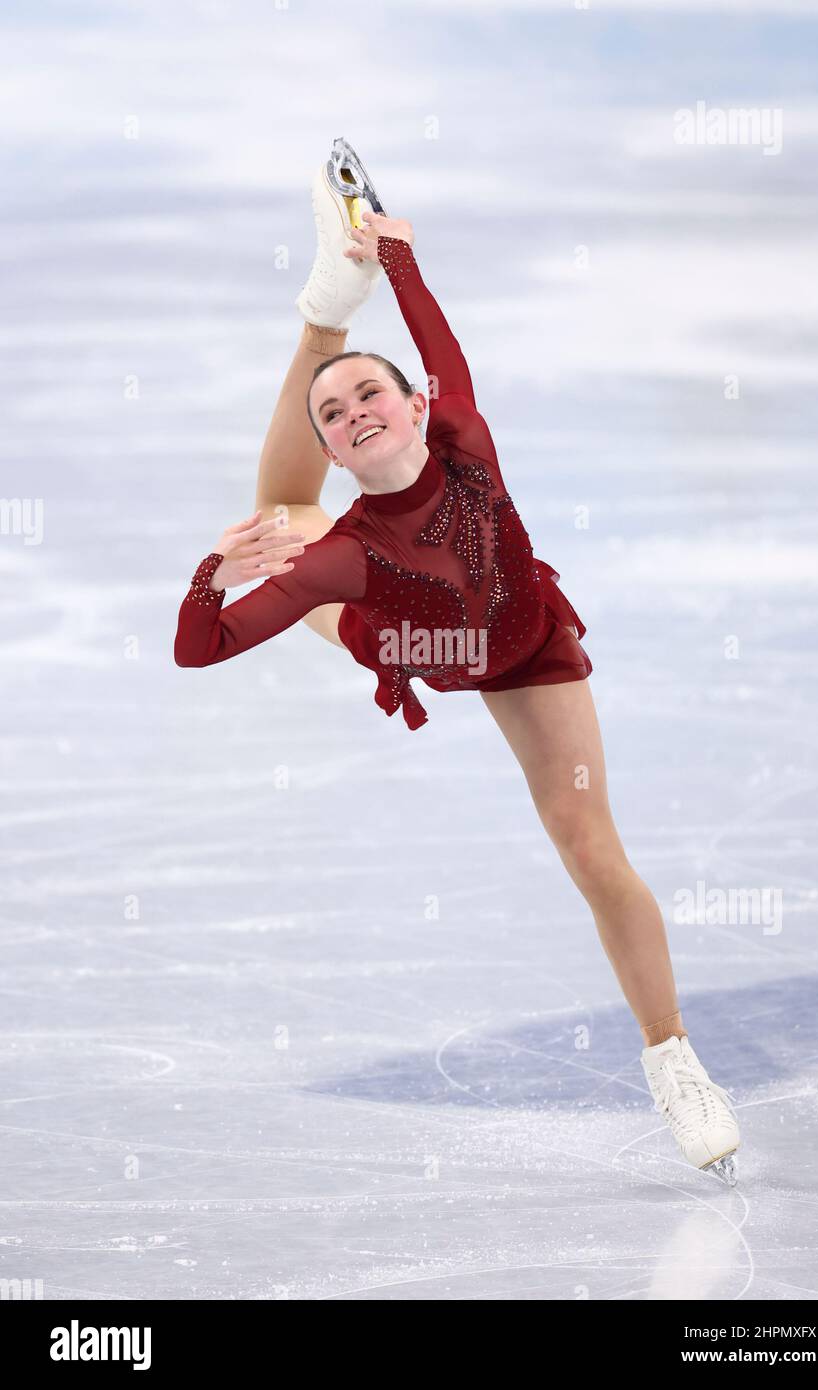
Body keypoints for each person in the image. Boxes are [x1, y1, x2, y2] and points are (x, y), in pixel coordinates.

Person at [174, 143, 740, 1184]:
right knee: (281, 523)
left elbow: (437, 346)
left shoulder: (463, 435)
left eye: (364, 395)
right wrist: (214, 573)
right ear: (337, 451)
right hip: (402, 640)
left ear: (414, 406)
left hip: (524, 652)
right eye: (331, 414)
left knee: (587, 846)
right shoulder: (344, 547)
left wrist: (398, 261)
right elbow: (201, 648)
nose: (351, 414)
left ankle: (674, 1060)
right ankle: (321, 312)